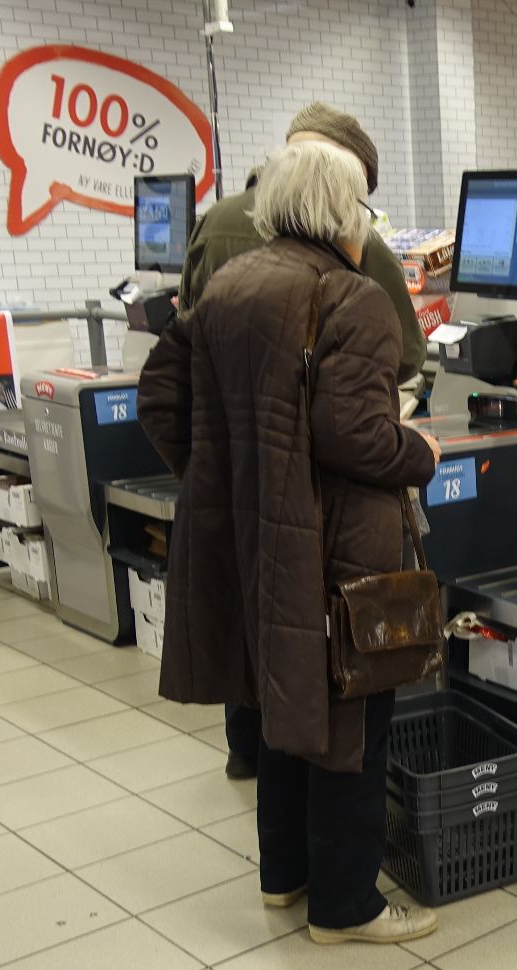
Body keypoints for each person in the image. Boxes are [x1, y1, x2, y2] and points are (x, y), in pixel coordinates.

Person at [138, 140, 443, 945]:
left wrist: (222, 478)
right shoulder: (352, 299)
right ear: (347, 217)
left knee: (279, 698)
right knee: (351, 716)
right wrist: (422, 452)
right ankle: (347, 908)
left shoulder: (231, 285)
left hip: (253, 538)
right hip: (337, 546)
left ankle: (285, 880)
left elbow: (160, 397)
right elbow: (353, 435)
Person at [180, 102, 427, 781]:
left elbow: (174, 364)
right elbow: (394, 372)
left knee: (254, 623)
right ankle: (339, 875)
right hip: (321, 504)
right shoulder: (351, 259)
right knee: (324, 672)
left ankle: (247, 758)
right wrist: (415, 452)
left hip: (235, 479)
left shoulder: (220, 231)